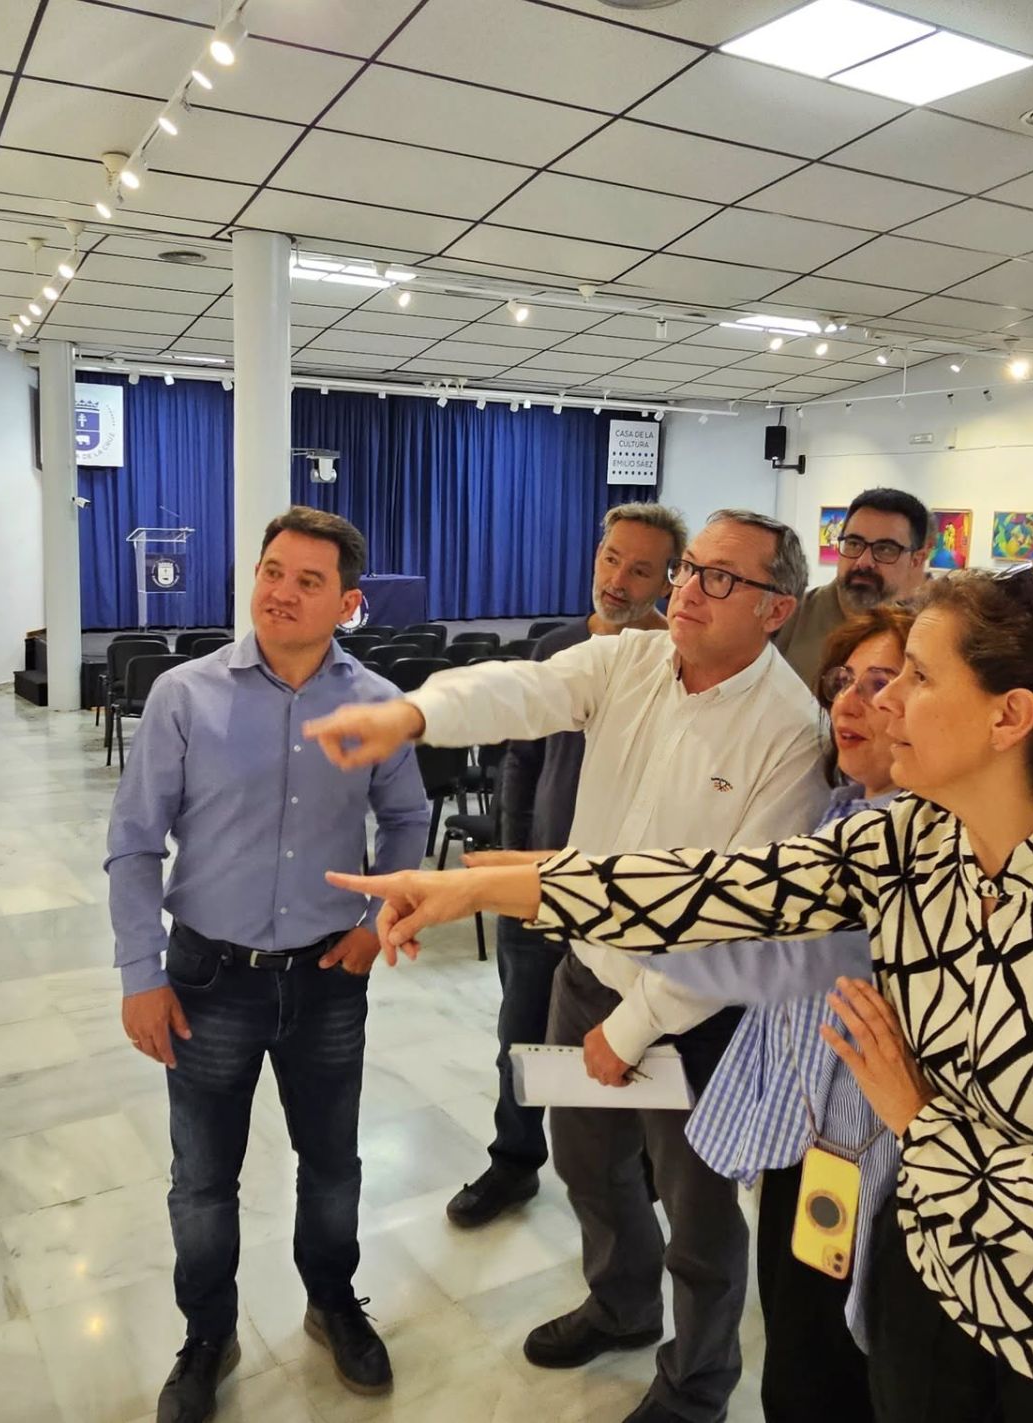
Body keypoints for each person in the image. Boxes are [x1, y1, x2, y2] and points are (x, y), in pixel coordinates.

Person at [330, 559, 1033, 1422]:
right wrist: (475, 887)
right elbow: (710, 888)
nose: (882, 700)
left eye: (917, 676)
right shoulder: (911, 840)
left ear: (1009, 716)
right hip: (951, 1288)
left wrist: (917, 1120)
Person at [304, 510, 828, 1423]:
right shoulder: (633, 661)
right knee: (589, 1164)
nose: (687, 591)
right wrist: (413, 713)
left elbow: (740, 926)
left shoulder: (790, 732)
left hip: (693, 1012)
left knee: (699, 1220)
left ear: (776, 608)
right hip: (588, 968)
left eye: (719, 579)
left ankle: (697, 1385)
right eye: (690, 570)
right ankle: (623, 1305)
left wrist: (629, 1031)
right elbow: (525, 689)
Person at [106, 507, 431, 1423]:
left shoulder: (373, 701)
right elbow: (134, 842)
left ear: (348, 603)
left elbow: (407, 818)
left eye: (307, 580)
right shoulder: (185, 694)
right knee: (203, 1176)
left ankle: (332, 1301)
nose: (280, 592)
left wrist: (378, 918)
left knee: (332, 1162)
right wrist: (141, 970)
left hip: (330, 974)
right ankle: (208, 1331)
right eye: (271, 570)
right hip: (209, 974)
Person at [647, 604, 916, 1423]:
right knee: (797, 1354)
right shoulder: (839, 809)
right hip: (812, 1139)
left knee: (830, 1370)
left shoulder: (905, 842)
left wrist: (538, 888)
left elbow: (752, 949)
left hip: (874, 1149)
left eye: (883, 683)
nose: (849, 702)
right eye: (843, 681)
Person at [447, 501, 686, 1230]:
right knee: (520, 1036)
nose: (617, 579)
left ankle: (636, 1178)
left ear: (670, 579)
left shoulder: (680, 660)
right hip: (542, 893)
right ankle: (514, 1161)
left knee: (632, 1044)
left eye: (640, 568)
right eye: (610, 558)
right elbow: (520, 758)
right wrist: (519, 858)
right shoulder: (556, 644)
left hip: (628, 903)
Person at [775, 487, 931, 683]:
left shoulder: (922, 638)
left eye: (885, 549)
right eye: (854, 543)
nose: (864, 561)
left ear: (916, 560)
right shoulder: (787, 617)